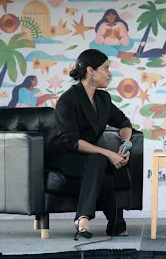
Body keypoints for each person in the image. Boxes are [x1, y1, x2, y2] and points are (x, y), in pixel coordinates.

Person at [46, 49, 132, 239]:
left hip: (89, 156)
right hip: (64, 154)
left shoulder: (103, 99)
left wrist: (125, 145)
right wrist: (109, 154)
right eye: (106, 68)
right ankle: (110, 223)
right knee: (102, 160)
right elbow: (70, 141)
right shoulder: (68, 99)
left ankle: (89, 220)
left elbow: (124, 123)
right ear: (90, 71)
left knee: (101, 163)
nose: (110, 74)